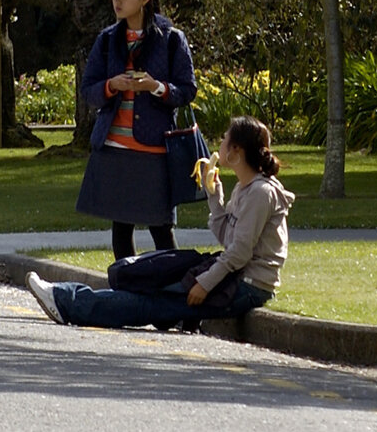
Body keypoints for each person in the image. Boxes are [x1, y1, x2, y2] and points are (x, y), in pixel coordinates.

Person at [28, 115, 290, 329]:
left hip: (248, 285)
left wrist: (205, 283)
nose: (219, 143)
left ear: (236, 151)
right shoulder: (245, 188)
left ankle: (66, 301)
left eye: (225, 138)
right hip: (236, 274)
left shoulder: (260, 193)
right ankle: (67, 297)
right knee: (153, 288)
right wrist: (215, 197)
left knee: (151, 303)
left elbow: (240, 253)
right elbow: (229, 240)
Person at [74, 0, 197, 259]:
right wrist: (111, 85)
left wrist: (156, 87)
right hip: (114, 146)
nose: (117, 1)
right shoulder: (107, 39)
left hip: (155, 147)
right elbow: (88, 90)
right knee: (121, 227)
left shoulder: (171, 39)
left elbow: (187, 90)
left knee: (161, 227)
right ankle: (125, 282)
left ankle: (170, 283)